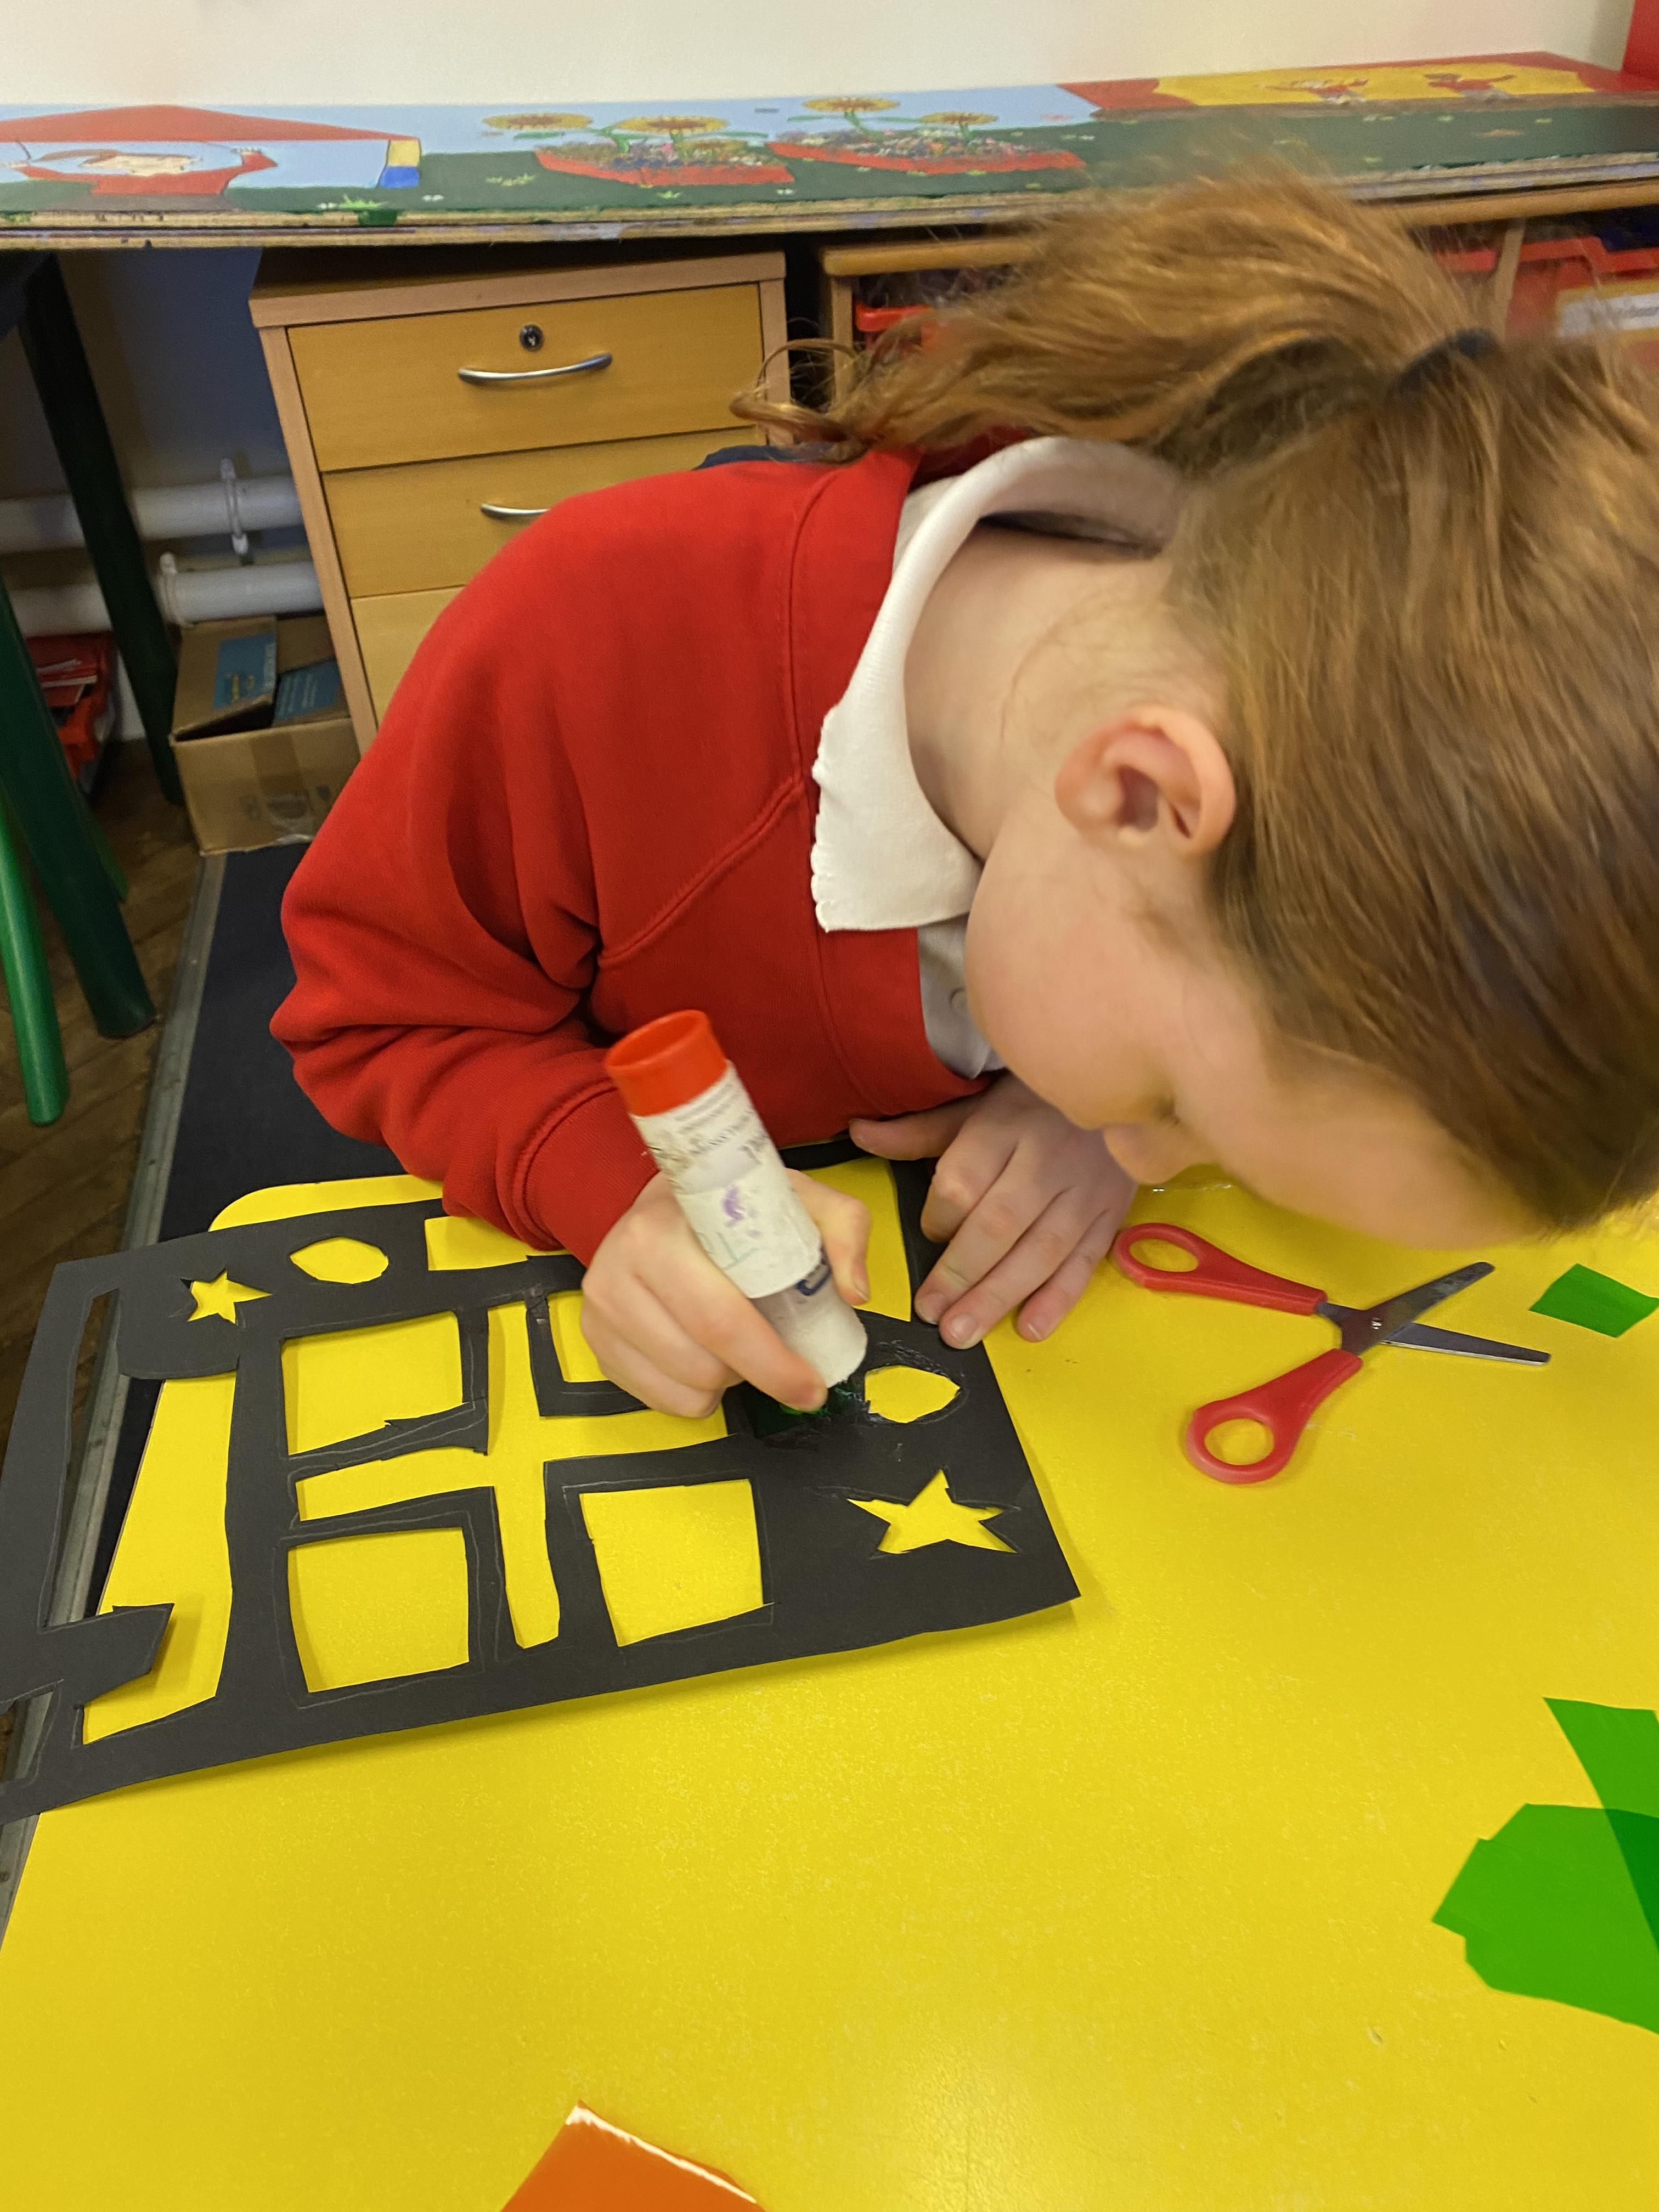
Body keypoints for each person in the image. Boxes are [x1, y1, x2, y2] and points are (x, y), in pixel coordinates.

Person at [274, 174, 1659, 1418]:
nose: (1152, 1156)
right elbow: (380, 1016)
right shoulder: (591, 643)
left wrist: (1084, 1118)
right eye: (1170, 1105)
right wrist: (613, 1188)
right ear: (1137, 795)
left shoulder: (1220, 779)